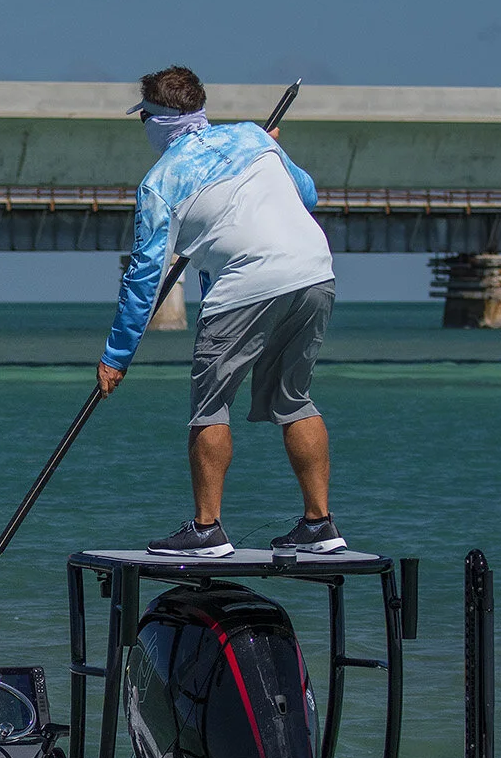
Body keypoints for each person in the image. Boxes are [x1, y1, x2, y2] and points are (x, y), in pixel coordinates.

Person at [97, 66, 344, 558]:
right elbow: (308, 195)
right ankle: (320, 525)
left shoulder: (160, 183)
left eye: (143, 117)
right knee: (294, 400)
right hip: (315, 270)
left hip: (247, 283)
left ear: (158, 121)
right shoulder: (253, 136)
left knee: (209, 406)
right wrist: (271, 150)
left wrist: (116, 356)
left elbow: (145, 275)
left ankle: (207, 530)